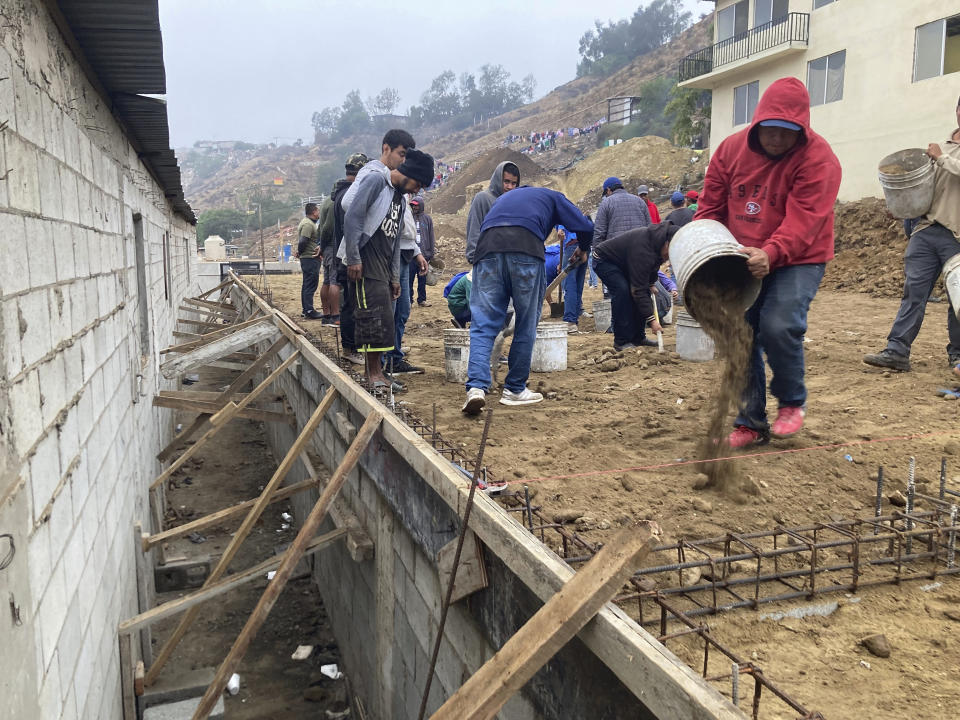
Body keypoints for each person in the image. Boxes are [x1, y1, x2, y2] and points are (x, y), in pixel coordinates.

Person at [696, 76, 842, 448]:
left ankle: (792, 403)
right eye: (770, 130)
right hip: (742, 253)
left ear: (802, 131)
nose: (777, 139)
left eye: (788, 132)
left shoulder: (820, 160)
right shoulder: (730, 151)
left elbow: (805, 220)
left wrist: (772, 252)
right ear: (758, 123)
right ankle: (750, 421)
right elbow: (710, 208)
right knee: (741, 333)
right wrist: (704, 251)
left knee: (778, 325)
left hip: (800, 255)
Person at [462, 186, 593, 414]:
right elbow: (585, 225)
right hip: (525, 249)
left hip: (487, 251)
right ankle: (514, 389)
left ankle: (475, 388)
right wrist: (584, 248)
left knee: (483, 324)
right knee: (526, 321)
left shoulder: (504, 200)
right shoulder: (552, 196)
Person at [864, 95, 960, 378]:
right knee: (913, 294)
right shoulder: (937, 149)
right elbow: (920, 190)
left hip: (957, 236)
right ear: (956, 111)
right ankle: (897, 350)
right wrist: (903, 208)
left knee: (958, 298)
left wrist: (941, 159)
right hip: (927, 231)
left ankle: (957, 357)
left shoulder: (938, 154)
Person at [341, 144, 434, 389]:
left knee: (385, 320)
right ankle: (372, 375)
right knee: (370, 318)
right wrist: (354, 258)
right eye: (417, 184)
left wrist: (394, 276)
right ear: (409, 174)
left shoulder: (399, 199)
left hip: (383, 264)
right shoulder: (374, 181)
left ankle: (379, 372)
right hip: (365, 260)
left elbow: (394, 241)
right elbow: (353, 216)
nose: (416, 191)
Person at [593, 223, 680, 351]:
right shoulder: (643, 249)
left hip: (625, 263)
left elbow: (652, 266)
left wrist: (651, 283)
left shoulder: (657, 244)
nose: (668, 258)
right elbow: (638, 290)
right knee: (623, 292)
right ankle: (621, 341)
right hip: (604, 260)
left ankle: (638, 337)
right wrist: (652, 321)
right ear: (666, 244)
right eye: (671, 252)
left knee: (644, 291)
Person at [318, 153, 369, 326]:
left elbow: (324, 227)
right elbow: (329, 227)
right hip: (340, 247)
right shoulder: (350, 195)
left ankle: (327, 315)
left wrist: (322, 246)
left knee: (329, 281)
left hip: (332, 247)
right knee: (336, 284)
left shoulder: (333, 196)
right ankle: (335, 317)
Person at [465, 161, 520, 264]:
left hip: (509, 265)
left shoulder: (514, 203)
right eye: (506, 182)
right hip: (487, 263)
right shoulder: (483, 199)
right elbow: (474, 228)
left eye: (513, 183)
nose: (510, 187)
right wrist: (475, 258)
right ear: (498, 180)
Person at [593, 177, 651, 245]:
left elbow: (599, 233)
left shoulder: (605, 203)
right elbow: (649, 227)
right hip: (641, 247)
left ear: (608, 190)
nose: (606, 196)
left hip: (617, 251)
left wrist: (596, 252)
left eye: (606, 194)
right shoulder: (640, 201)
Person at [294, 203, 322, 319]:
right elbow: (303, 241)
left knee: (307, 284)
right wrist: (300, 253)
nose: (319, 213)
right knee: (310, 285)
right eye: (318, 211)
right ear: (314, 211)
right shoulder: (308, 224)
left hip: (308, 258)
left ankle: (306, 310)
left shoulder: (307, 223)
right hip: (310, 258)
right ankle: (309, 310)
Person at [557, 225, 586, 333]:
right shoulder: (579, 211)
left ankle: (570, 321)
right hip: (584, 245)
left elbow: (562, 219)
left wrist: (560, 229)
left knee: (569, 284)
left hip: (571, 245)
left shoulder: (563, 208)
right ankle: (574, 320)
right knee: (578, 284)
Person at [410, 195, 435, 307]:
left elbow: (431, 236)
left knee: (422, 279)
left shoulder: (427, 219)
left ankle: (422, 300)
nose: (414, 208)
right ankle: (409, 300)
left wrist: (431, 253)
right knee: (409, 279)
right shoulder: (409, 217)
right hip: (410, 255)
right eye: (413, 206)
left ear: (421, 206)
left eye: (416, 206)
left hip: (424, 255)